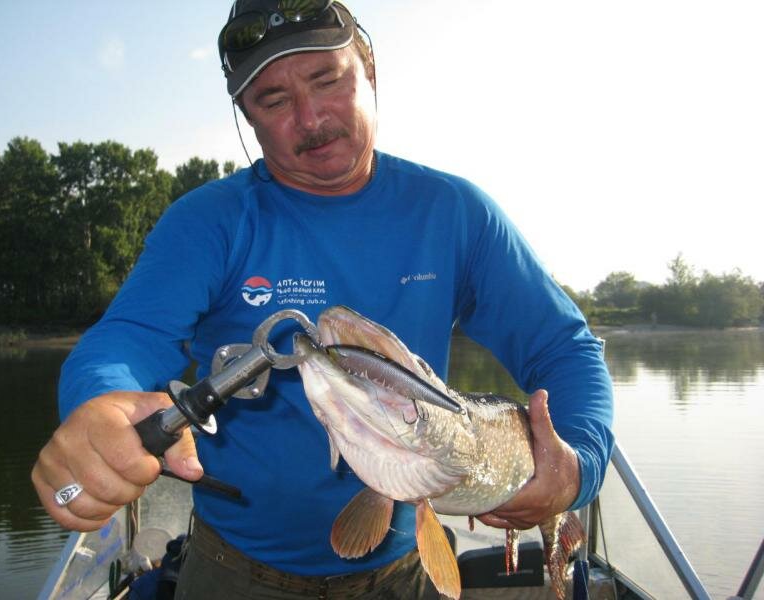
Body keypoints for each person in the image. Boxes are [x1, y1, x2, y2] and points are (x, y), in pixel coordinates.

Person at [32, 1, 614, 598]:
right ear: (246, 117)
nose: (310, 118)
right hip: (232, 570)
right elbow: (128, 338)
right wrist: (98, 404)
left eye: (327, 79)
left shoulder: (456, 213)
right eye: (274, 100)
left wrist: (577, 468)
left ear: (370, 71)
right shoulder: (209, 222)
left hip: (401, 570)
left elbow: (562, 348)